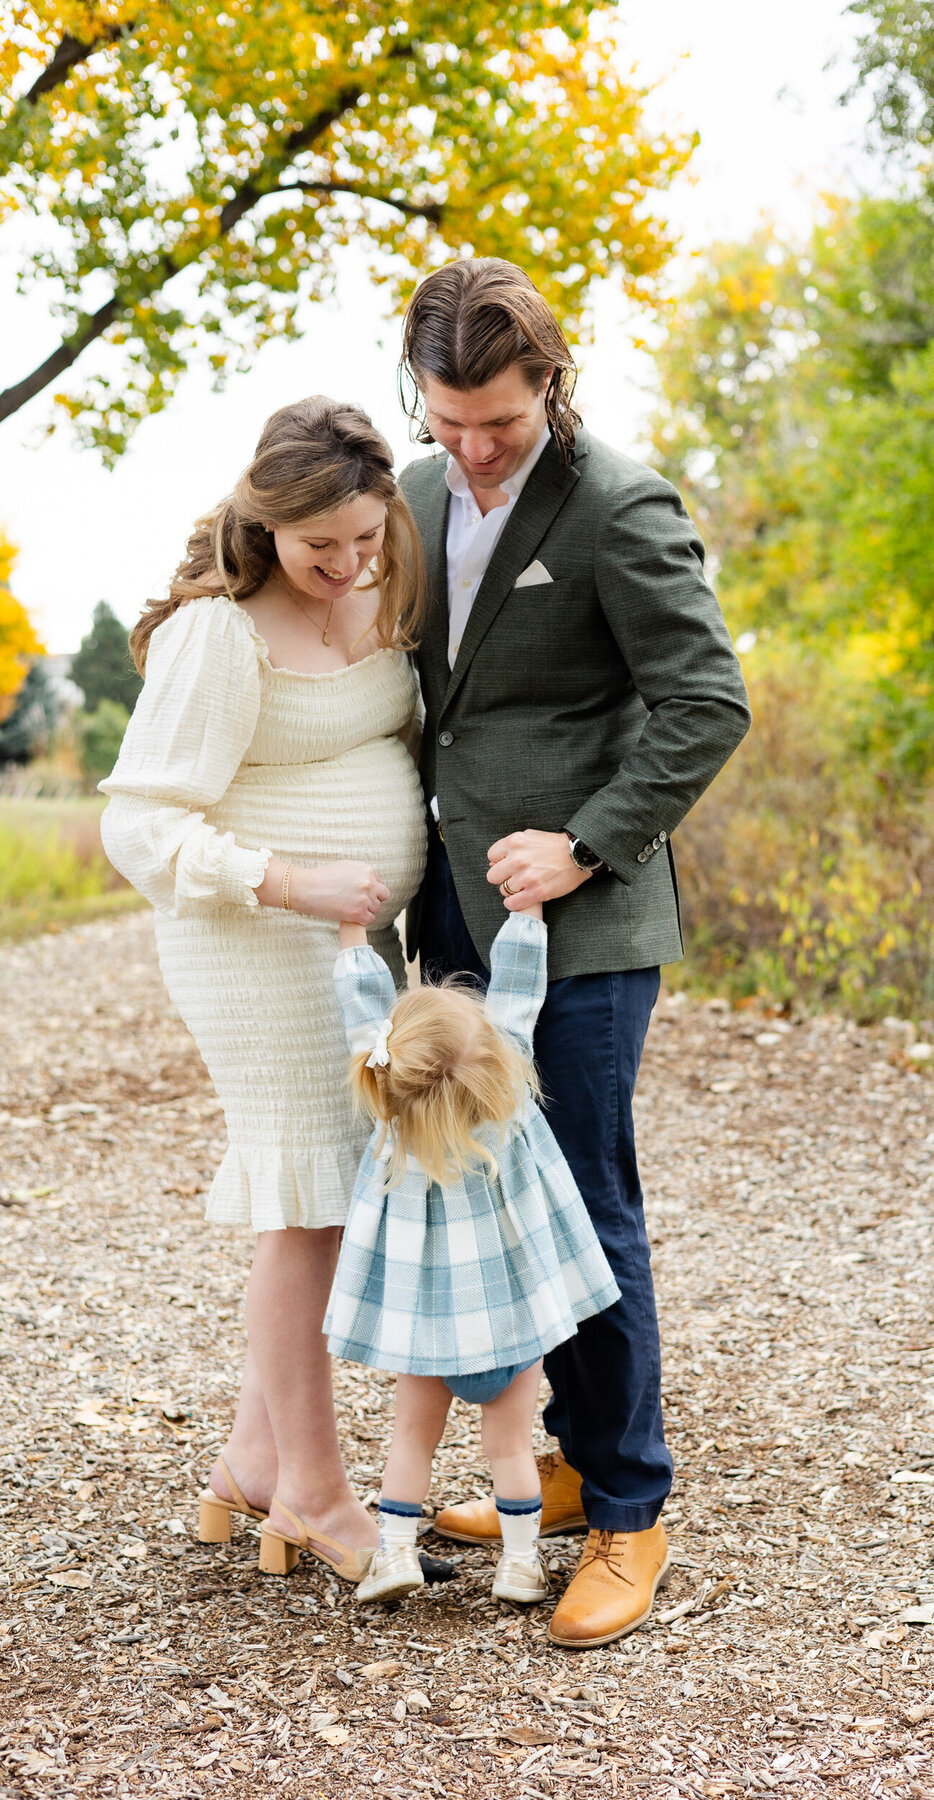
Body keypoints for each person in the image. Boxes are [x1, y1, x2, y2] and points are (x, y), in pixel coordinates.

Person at [396, 259, 752, 1647]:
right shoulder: (414, 499)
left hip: (587, 923)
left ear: (550, 375)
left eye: (502, 417)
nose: (477, 448)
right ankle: (545, 1462)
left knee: (586, 1205)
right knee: (481, 1206)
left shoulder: (617, 501)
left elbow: (705, 700)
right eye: (451, 420)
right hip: (449, 916)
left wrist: (589, 841)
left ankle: (631, 1509)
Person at [99, 396, 430, 1580]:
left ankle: (250, 1461)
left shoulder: (386, 587)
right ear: (266, 522)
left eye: (364, 540)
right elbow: (137, 828)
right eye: (317, 549)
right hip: (256, 941)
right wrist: (288, 880)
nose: (346, 570)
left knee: (339, 1201)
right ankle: (315, 1492)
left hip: (348, 949)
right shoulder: (220, 632)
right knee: (309, 1210)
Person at [260, 901, 620, 1605]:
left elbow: (364, 1016)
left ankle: (393, 1552)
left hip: (425, 1337)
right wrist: (525, 914)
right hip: (513, 1329)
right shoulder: (506, 1103)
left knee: (411, 1446)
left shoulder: (393, 1121)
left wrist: (351, 935)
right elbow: (520, 991)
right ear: (490, 1057)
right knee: (509, 1448)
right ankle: (520, 1565)